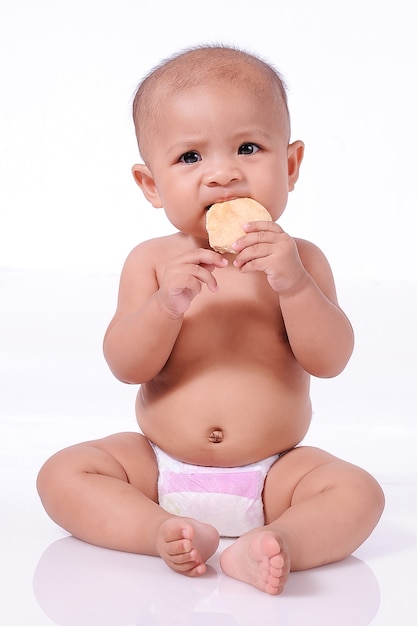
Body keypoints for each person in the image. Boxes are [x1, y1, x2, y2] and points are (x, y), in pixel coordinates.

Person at [37, 45, 384, 595]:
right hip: (157, 466)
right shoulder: (151, 262)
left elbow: (331, 359)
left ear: (289, 166)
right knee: (62, 473)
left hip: (274, 475)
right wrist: (164, 307)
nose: (222, 174)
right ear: (151, 185)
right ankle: (162, 531)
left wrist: (293, 285)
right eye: (190, 158)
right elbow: (126, 365)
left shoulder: (303, 260)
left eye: (248, 148)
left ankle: (277, 544)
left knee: (358, 491)